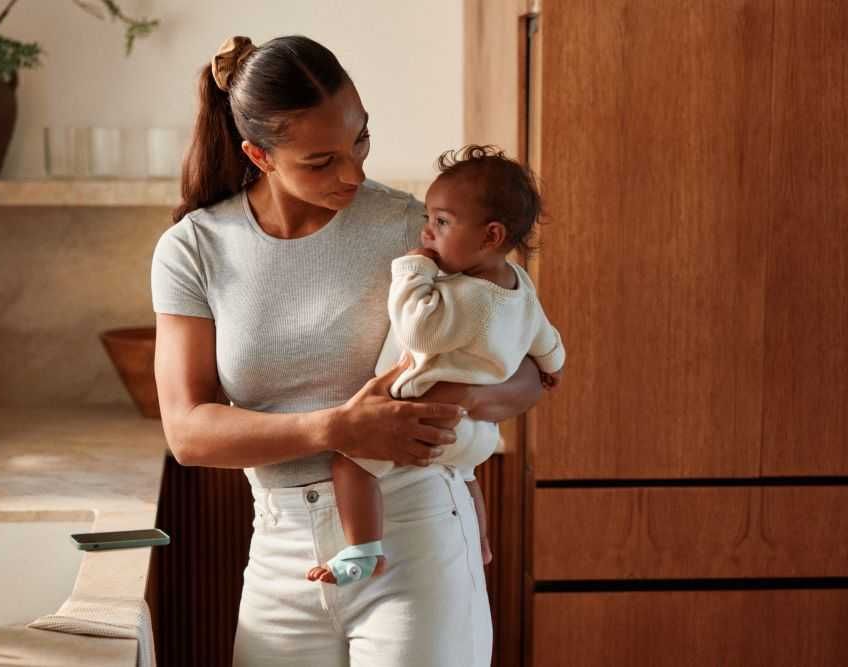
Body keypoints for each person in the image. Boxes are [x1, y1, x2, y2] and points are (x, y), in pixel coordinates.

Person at [151, 34, 544, 667]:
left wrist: (457, 403)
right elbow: (188, 432)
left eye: (360, 139)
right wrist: (340, 427)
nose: (354, 173)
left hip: (416, 531)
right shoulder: (195, 248)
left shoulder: (414, 228)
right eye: (321, 160)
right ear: (260, 154)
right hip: (281, 552)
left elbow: (529, 370)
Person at [306, 145, 565, 587]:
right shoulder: (519, 286)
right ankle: (480, 542)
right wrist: (551, 366)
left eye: (442, 223)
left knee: (350, 464)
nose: (428, 233)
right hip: (473, 432)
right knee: (463, 478)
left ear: (491, 237)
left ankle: (363, 551)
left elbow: (419, 330)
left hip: (423, 415)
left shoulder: (468, 297)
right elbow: (547, 338)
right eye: (429, 220)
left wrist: (412, 269)